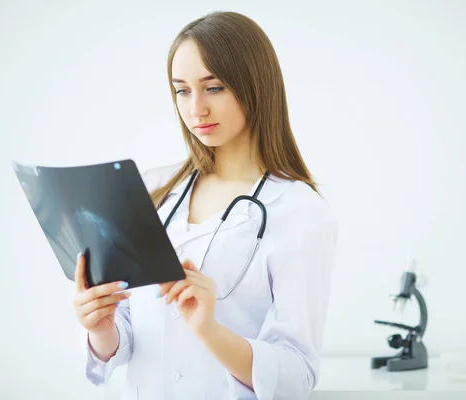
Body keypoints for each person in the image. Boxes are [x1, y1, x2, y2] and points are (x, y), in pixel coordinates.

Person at [72, 11, 338, 400]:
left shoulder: (300, 212)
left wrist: (209, 331)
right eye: (182, 90)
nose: (196, 109)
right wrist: (100, 327)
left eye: (213, 88)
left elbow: (297, 374)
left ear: (255, 87)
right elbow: (129, 333)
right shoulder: (153, 189)